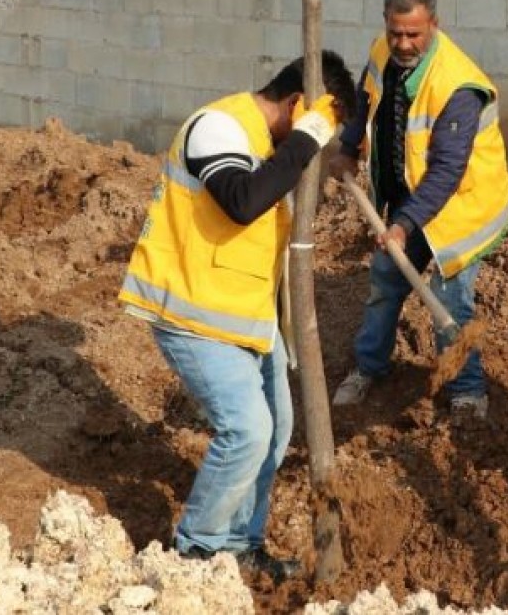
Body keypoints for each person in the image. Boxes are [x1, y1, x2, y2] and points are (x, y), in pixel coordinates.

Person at [118, 50, 356, 581]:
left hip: (244, 315)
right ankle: (197, 550)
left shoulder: (274, 145)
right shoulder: (217, 127)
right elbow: (243, 201)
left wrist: (316, 152)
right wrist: (305, 142)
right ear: (297, 105)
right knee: (247, 430)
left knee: (276, 430)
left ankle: (240, 544)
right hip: (193, 313)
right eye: (323, 126)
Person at [327, 0, 508, 420]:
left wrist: (402, 225)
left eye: (414, 34)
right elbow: (365, 94)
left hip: (460, 209)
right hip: (407, 198)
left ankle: (467, 391)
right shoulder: (382, 51)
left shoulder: (458, 86)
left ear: (434, 24)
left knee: (450, 300)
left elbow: (447, 172)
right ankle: (370, 367)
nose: (404, 44)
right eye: (396, 33)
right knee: (385, 281)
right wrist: (349, 145)